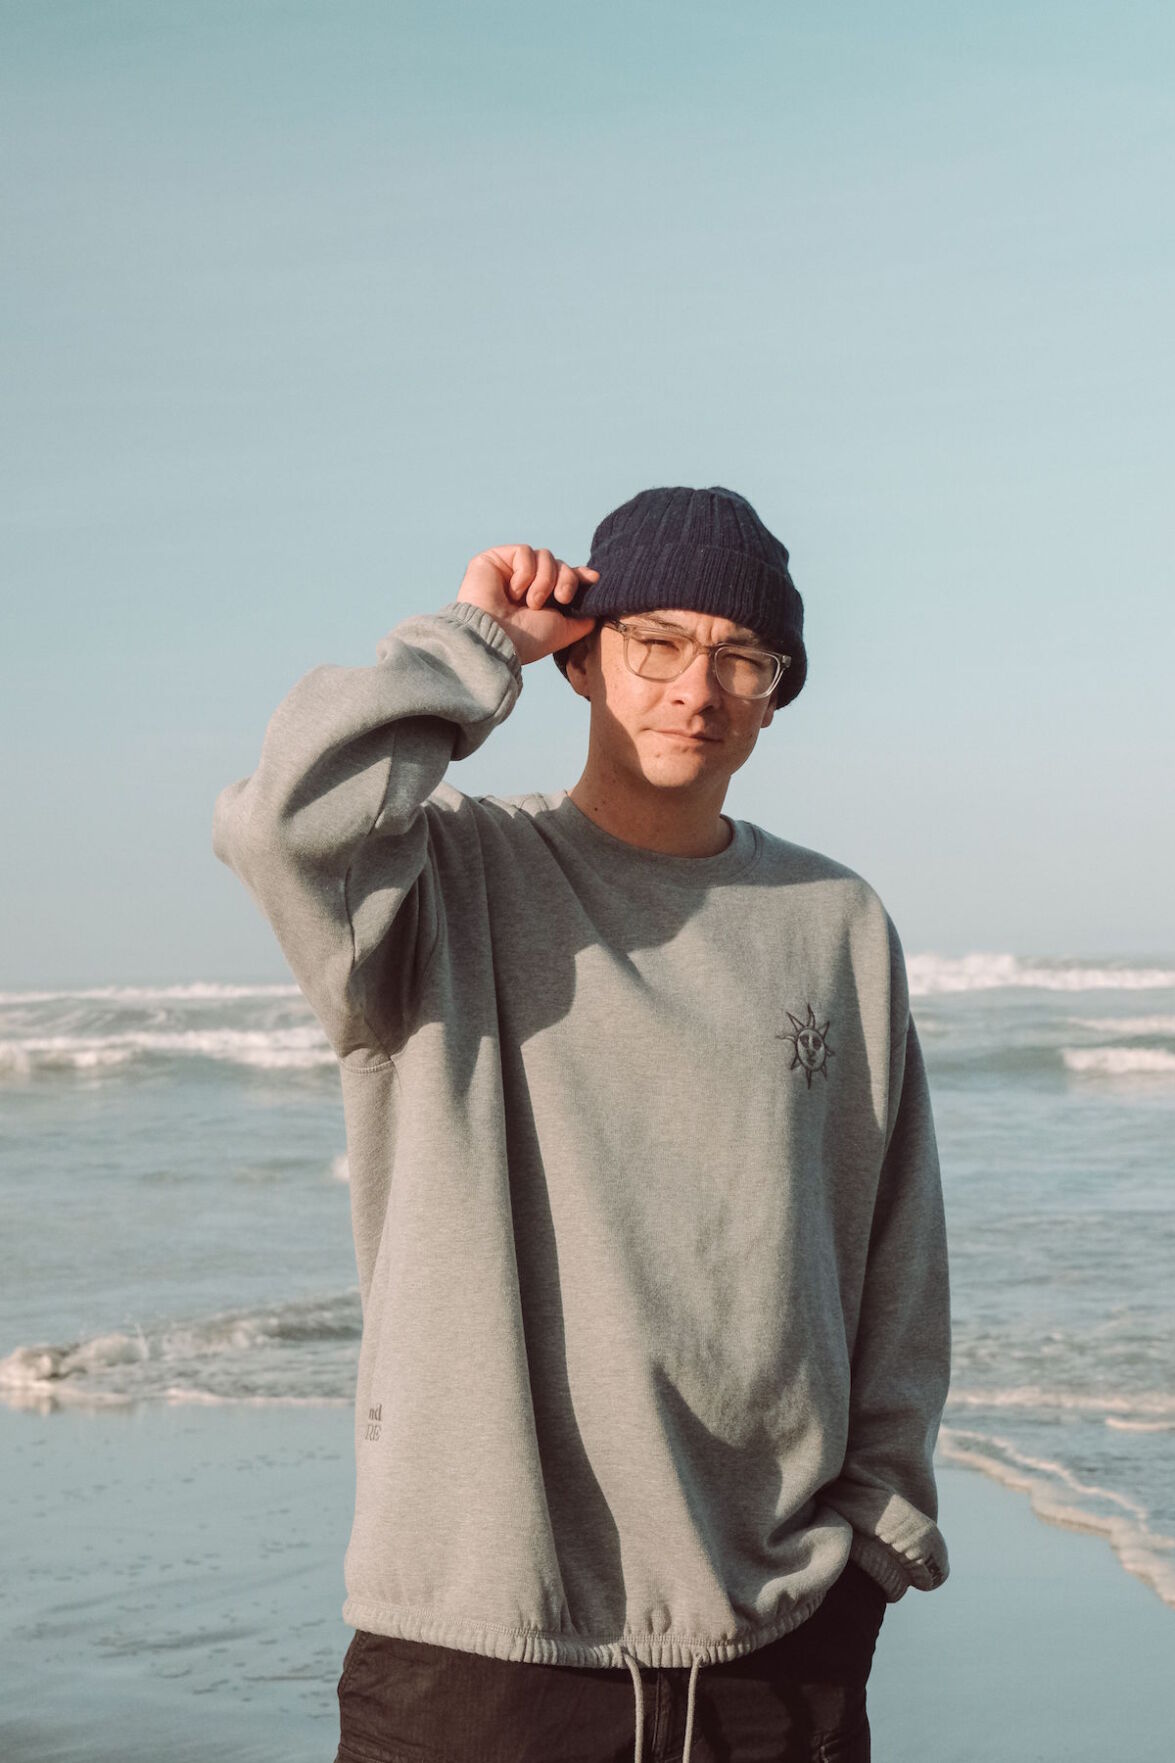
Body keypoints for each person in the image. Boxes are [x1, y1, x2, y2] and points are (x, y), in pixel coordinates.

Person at [211, 484, 951, 1763]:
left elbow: (896, 1250)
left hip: (777, 1642)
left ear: (775, 693)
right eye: (655, 642)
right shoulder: (439, 879)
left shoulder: (833, 920)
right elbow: (285, 822)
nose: (695, 688)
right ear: (582, 659)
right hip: (480, 1641)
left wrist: (873, 1546)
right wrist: (472, 644)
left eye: (742, 657)